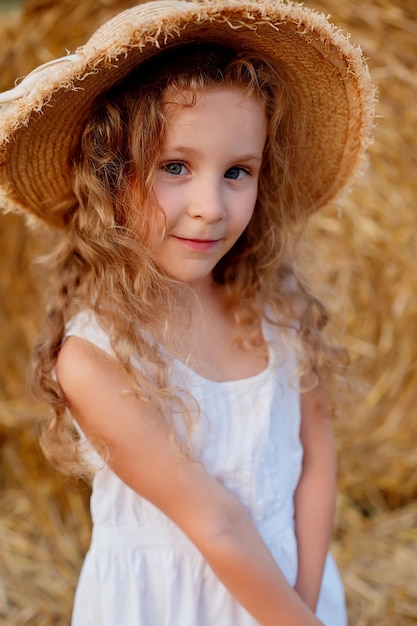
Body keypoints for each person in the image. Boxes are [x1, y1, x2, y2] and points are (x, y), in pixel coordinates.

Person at [0, 1, 375, 624]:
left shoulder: (274, 306)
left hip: (289, 594)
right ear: (111, 174)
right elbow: (217, 522)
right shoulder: (97, 358)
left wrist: (306, 601)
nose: (210, 206)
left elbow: (316, 457)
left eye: (237, 171)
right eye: (175, 166)